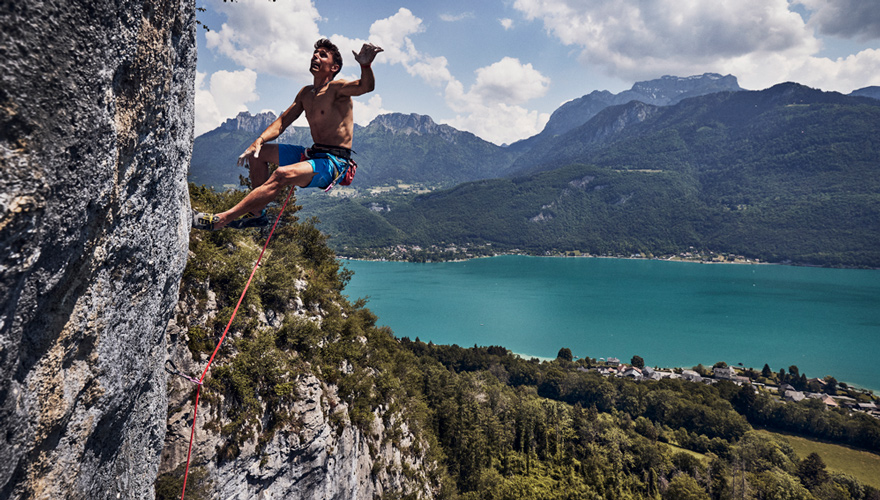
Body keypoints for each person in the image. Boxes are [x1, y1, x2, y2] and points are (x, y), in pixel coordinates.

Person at [193, 38, 383, 230]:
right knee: (258, 154)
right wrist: (259, 140)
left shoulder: (337, 88)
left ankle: (221, 220)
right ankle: (258, 214)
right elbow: (283, 122)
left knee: (282, 174)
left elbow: (365, 87)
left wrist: (365, 65)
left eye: (322, 55)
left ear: (334, 67)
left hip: (334, 162)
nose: (315, 56)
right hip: (315, 153)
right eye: (315, 53)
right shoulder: (305, 94)